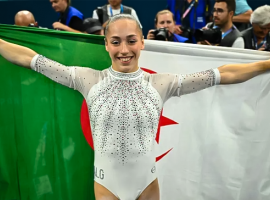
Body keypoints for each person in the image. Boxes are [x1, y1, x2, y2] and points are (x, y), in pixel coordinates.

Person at [1, 13, 270, 200]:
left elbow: (221, 75)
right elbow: (32, 60)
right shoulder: (87, 79)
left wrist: (264, 65)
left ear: (142, 42)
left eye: (131, 40)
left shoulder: (161, 83)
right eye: (115, 42)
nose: (124, 49)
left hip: (147, 186)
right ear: (106, 45)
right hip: (106, 187)